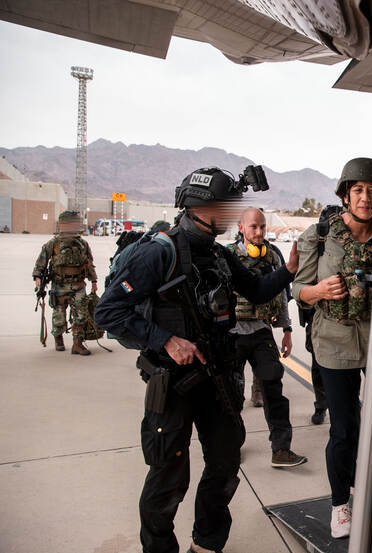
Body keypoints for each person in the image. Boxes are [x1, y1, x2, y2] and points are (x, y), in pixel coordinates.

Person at [94, 166, 298, 553]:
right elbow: (108, 313)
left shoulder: (218, 255)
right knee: (169, 477)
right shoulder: (159, 253)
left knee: (224, 465)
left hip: (216, 378)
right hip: (172, 384)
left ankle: (207, 544)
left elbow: (254, 289)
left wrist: (288, 270)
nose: (231, 214)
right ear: (198, 207)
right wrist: (166, 340)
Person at [293, 157, 372, 539]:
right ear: (346, 194)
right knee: (345, 430)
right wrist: (317, 290)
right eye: (358, 190)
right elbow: (297, 289)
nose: (365, 197)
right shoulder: (320, 233)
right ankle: (340, 503)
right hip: (334, 342)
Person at [229, 207, 307, 468]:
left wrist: (286, 330)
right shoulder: (228, 257)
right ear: (241, 227)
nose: (259, 232)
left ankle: (281, 449)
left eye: (262, 226)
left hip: (262, 332)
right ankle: (230, 446)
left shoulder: (274, 256)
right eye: (253, 227)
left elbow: (282, 296)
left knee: (273, 389)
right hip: (232, 335)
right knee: (231, 394)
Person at [32, 210, 98, 354]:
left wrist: (94, 281)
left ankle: (78, 344)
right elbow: (41, 262)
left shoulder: (83, 244)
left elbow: (89, 264)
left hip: (79, 286)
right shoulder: (53, 244)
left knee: (81, 316)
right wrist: (38, 278)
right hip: (59, 286)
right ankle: (58, 339)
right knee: (59, 315)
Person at [298, 304, 329, 425]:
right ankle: (321, 405)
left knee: (351, 365)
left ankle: (352, 402)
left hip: (346, 316)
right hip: (316, 314)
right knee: (318, 366)